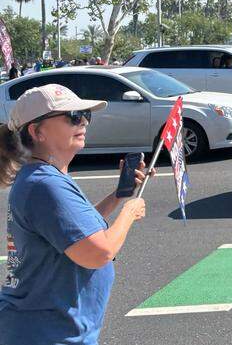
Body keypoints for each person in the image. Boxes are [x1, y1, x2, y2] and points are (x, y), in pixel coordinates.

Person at [0, 84, 150, 344]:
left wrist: (118, 196)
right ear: (37, 132)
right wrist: (129, 212)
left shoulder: (46, 178)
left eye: (85, 115)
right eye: (72, 116)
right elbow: (97, 253)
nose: (83, 121)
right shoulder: (44, 184)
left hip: (46, 329)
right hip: (46, 333)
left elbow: (75, 232)